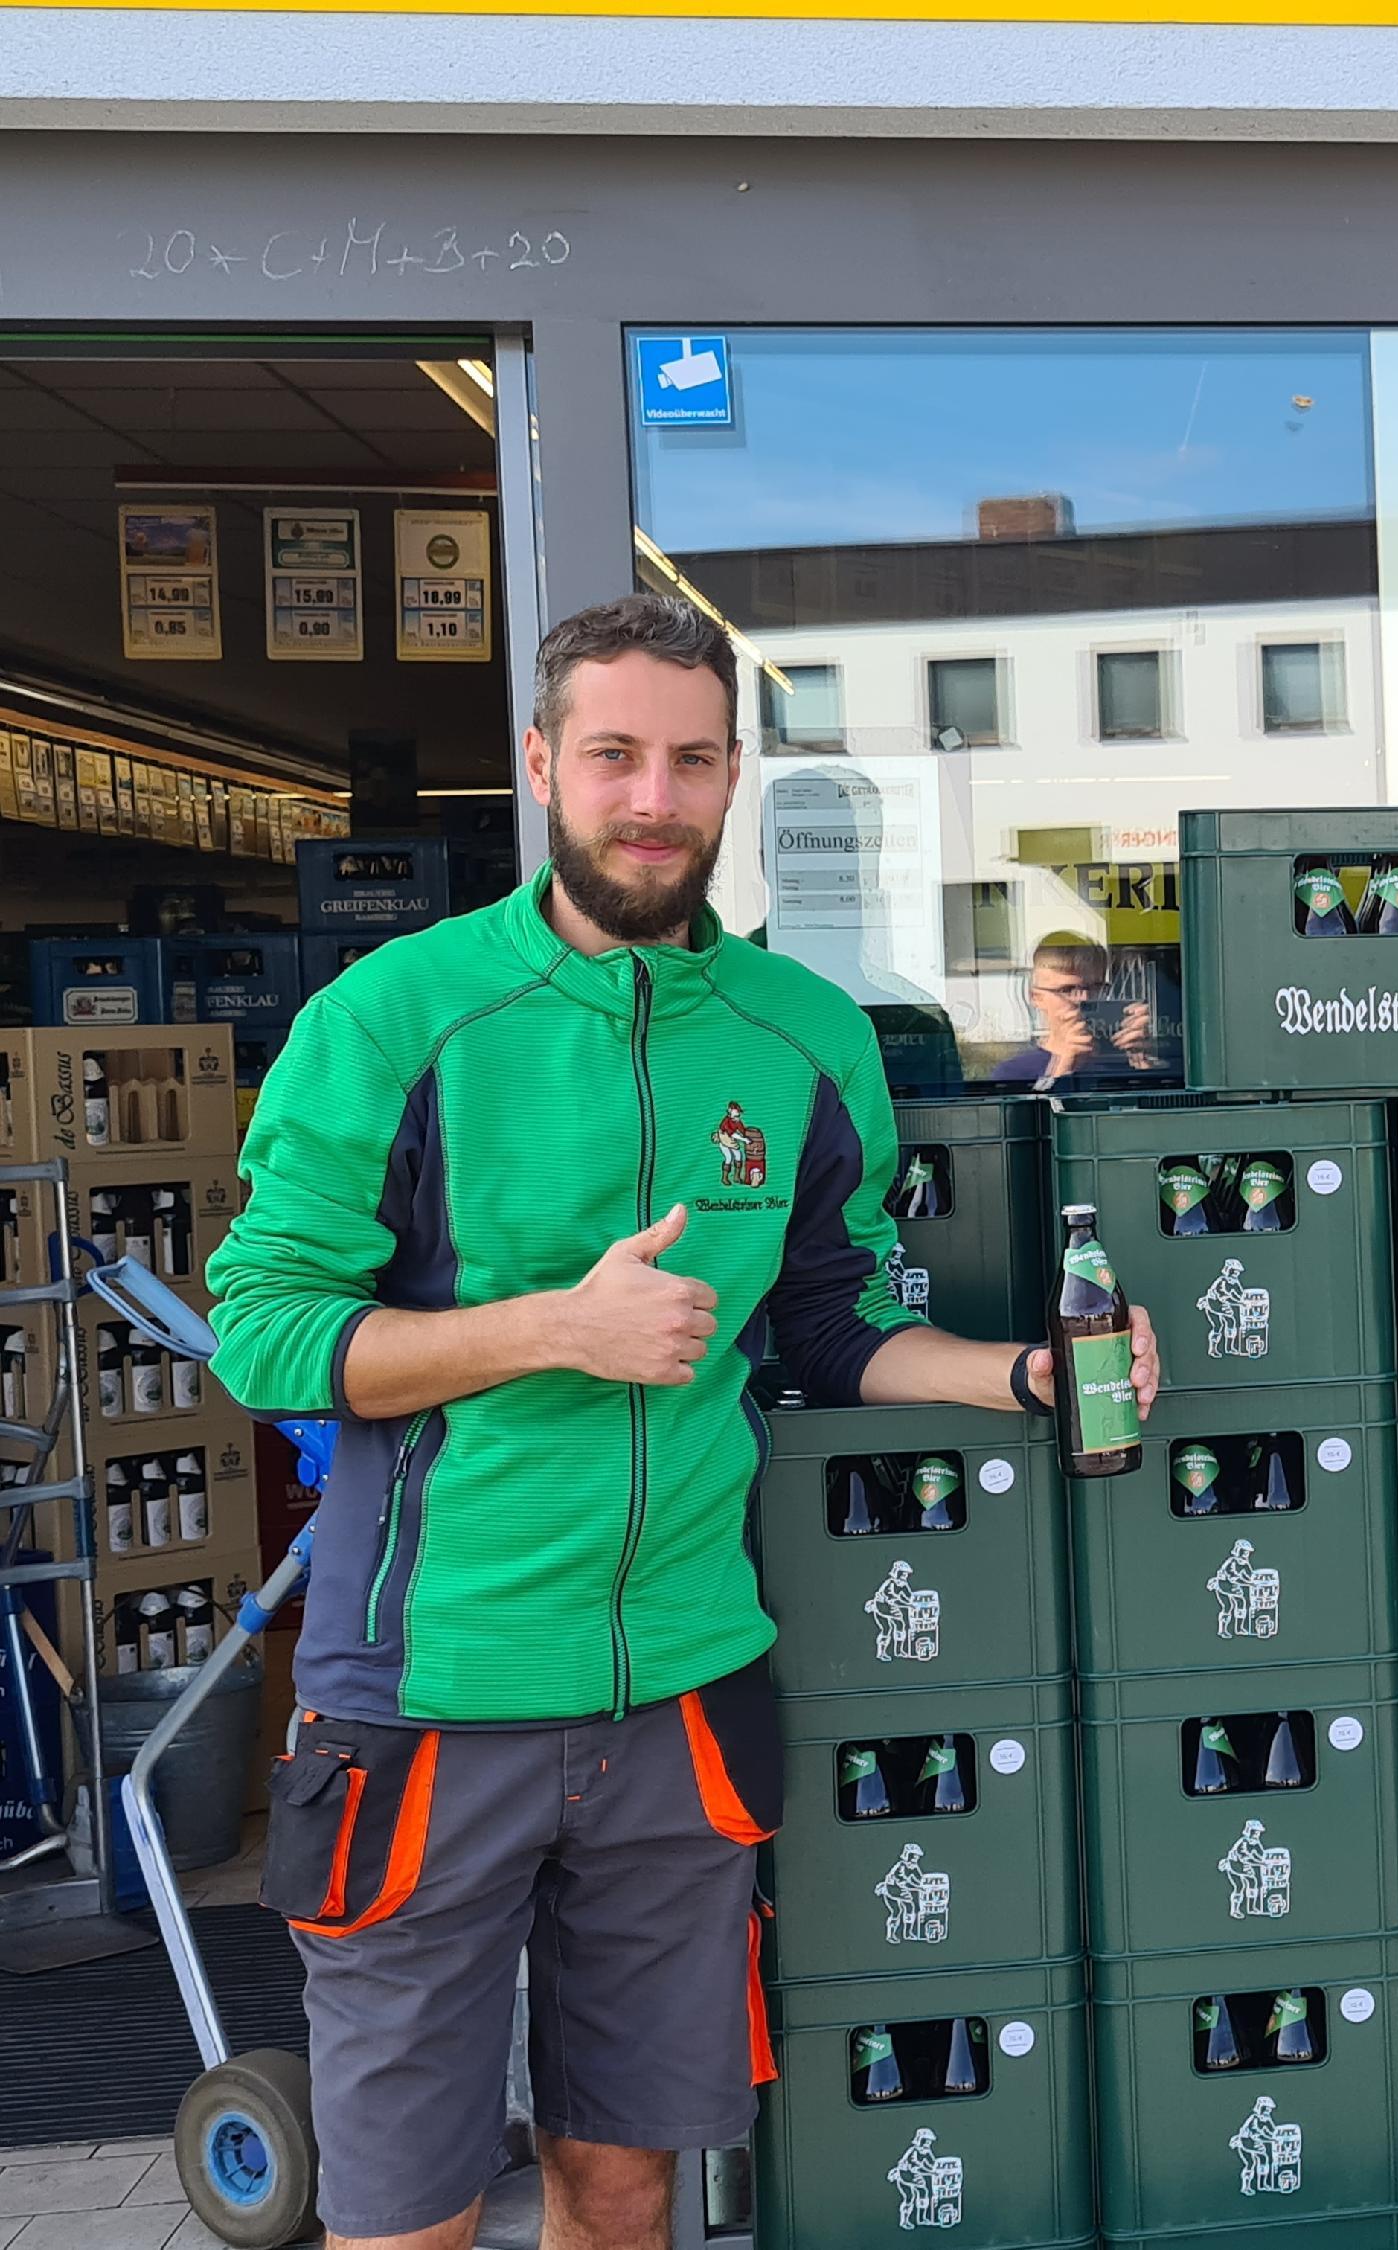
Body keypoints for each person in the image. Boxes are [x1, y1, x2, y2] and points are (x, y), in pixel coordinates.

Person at [204, 592, 1162, 2250]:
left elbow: (833, 1328)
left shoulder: (802, 1040)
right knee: (406, 2213)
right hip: (434, 1689)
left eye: (693, 760)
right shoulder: (394, 1021)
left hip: (681, 1696)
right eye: (614, 756)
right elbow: (264, 1332)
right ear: (542, 766)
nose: (654, 797)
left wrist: (1026, 1373)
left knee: (626, 2188)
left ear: (734, 782)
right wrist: (554, 1330)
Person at [989, 930, 1170, 1086]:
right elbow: (1026, 1123)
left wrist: (1146, 1066)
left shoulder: (1124, 1060)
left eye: (1095, 988)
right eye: (1067, 990)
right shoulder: (1013, 1073)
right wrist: (1062, 1067)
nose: (1083, 998)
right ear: (1036, 997)